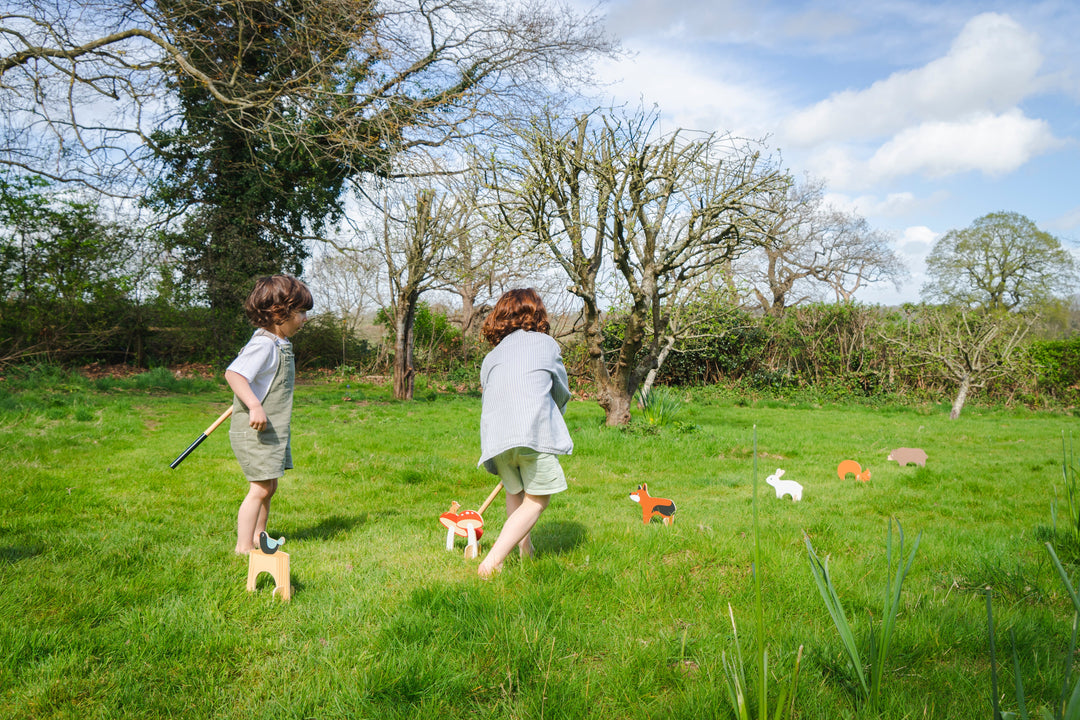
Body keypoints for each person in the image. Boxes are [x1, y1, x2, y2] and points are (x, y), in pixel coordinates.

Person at [476, 288, 573, 577]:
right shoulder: (547, 344)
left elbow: (489, 394)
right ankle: (491, 563)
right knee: (538, 500)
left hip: (496, 439)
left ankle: (523, 550)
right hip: (532, 432)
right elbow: (559, 390)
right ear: (537, 314)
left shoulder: (492, 357)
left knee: (515, 491)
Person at [225, 274, 312, 554]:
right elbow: (235, 374)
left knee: (269, 486)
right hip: (256, 431)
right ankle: (243, 547)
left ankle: (259, 537)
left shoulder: (278, 343)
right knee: (259, 489)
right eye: (300, 312)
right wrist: (254, 405)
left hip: (272, 430)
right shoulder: (264, 344)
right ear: (278, 313)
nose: (304, 319)